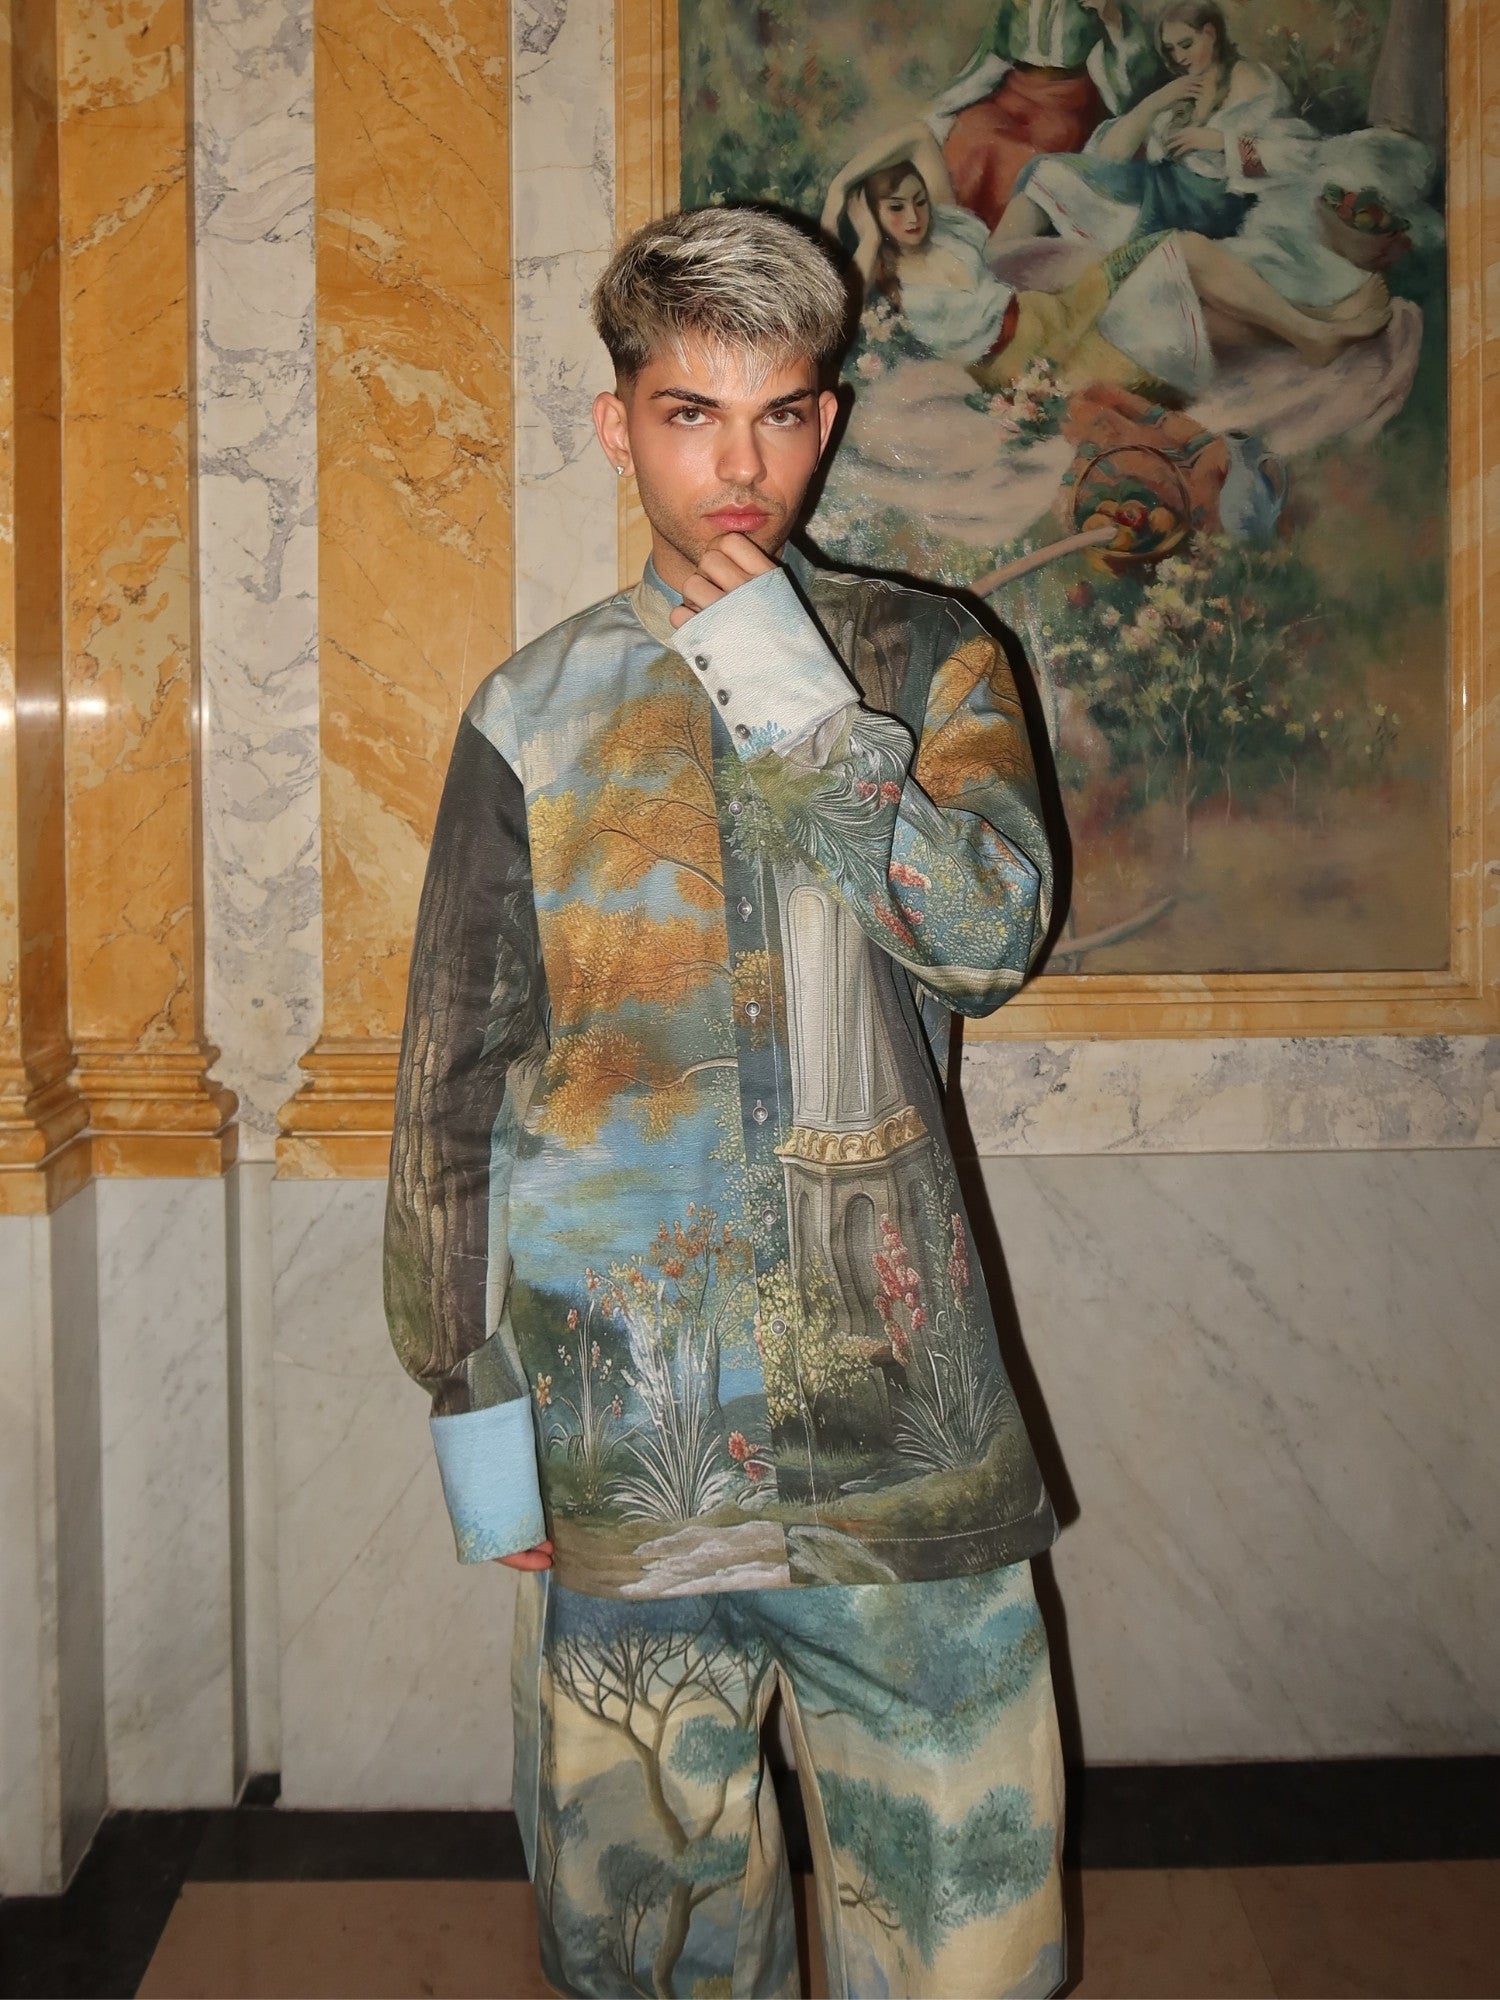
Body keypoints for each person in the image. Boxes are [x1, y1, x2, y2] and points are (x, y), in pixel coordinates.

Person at [385, 206, 1068, 1997]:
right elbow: (454, 1086)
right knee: (648, 1951)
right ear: (620, 426)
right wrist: (472, 1409)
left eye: (778, 415)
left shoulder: (926, 664)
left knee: (969, 1944)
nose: (739, 468)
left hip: (904, 1447)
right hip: (628, 1442)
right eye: (691, 415)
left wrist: (787, 686)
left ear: (826, 422)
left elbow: (985, 940)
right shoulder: (533, 711)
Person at [834, 140, 1391, 402]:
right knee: (1175, 316)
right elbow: (841, 321)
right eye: (896, 208)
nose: (915, 216)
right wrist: (862, 227)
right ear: (874, 218)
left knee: (1182, 253)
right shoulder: (884, 289)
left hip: (1059, 313)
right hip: (1042, 367)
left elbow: (917, 133)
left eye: (918, 201)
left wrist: (842, 183)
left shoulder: (950, 226)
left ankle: (1315, 325)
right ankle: (1313, 328)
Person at [995, 1, 1287, 248]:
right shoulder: (1185, 87)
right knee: (1042, 168)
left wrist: (1220, 142)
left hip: (1204, 204)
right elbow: (1111, 153)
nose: (1179, 57)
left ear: (1210, 34)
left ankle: (993, 266)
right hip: (1164, 189)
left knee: (1050, 174)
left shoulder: (1248, 78)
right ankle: (995, 261)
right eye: (1171, 49)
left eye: (1186, 45)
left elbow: (1289, 155)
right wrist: (1157, 101)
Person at [926, 0, 1161, 229]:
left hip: (1065, 101)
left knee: (1022, 157)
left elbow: (1132, 72)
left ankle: (1005, 239)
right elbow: (993, 56)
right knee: (972, 130)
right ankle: (958, 231)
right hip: (1014, 92)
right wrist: (946, 104)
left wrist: (1112, 21)